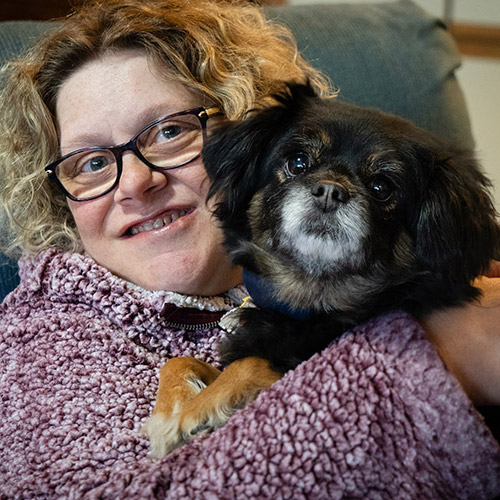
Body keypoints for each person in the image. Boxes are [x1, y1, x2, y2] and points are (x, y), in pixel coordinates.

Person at [0, 0, 499, 498]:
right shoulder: (45, 344)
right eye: (89, 162)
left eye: (170, 132)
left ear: (241, 146)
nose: (135, 181)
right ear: (56, 196)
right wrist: (440, 358)